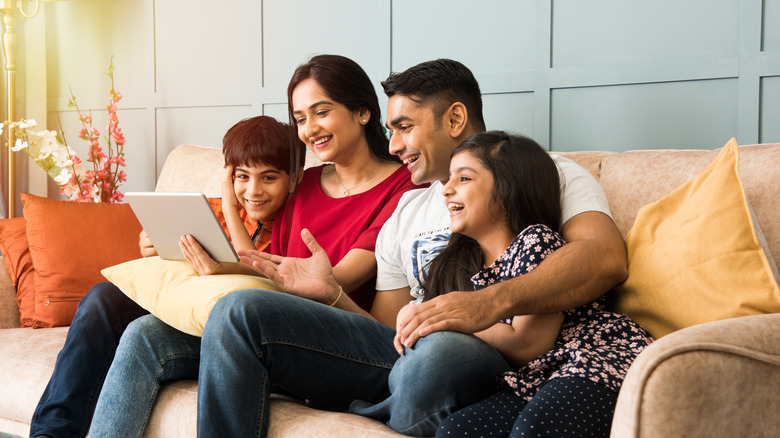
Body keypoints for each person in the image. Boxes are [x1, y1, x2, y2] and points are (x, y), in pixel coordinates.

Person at [185, 58, 629, 437]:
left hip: (471, 350)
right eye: (390, 130)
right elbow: (385, 329)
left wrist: (483, 306)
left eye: (403, 128)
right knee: (240, 310)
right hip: (406, 353)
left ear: (454, 120)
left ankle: (367, 410)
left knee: (436, 351)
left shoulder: (547, 173)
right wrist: (332, 294)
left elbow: (605, 258)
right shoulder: (408, 207)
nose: (394, 145)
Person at [86, 54, 422, 437]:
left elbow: (331, 279)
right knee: (144, 333)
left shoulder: (403, 188)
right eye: (299, 118)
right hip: (275, 330)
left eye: (321, 112)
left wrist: (237, 269)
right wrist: (223, 235)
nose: (309, 128)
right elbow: (266, 267)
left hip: (344, 340)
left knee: (237, 308)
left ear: (362, 112)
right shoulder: (307, 184)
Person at [29, 115, 305, 438]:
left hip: (227, 333)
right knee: (102, 298)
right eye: (242, 177)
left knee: (141, 332)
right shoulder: (213, 210)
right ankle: (50, 433)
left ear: (292, 178)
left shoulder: (293, 220)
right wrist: (158, 248)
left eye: (268, 178)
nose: (253, 190)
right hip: (186, 308)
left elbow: (255, 275)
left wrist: (231, 206)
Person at [415, 130, 652, 437]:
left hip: (594, 360)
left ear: (507, 189)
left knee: (533, 430)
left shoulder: (537, 241)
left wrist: (451, 319)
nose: (445, 190)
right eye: (449, 178)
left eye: (463, 178)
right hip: (536, 377)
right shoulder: (465, 268)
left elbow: (528, 344)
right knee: (455, 430)